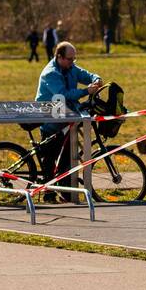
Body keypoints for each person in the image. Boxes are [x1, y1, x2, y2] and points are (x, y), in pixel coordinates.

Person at [35, 41, 101, 196]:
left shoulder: (70, 68)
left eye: (74, 59)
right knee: (50, 160)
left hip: (67, 117)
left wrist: (96, 79)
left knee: (67, 158)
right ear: (59, 57)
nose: (73, 62)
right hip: (50, 120)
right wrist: (86, 91)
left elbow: (86, 75)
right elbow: (63, 94)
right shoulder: (50, 74)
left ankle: (66, 193)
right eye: (70, 59)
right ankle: (48, 193)